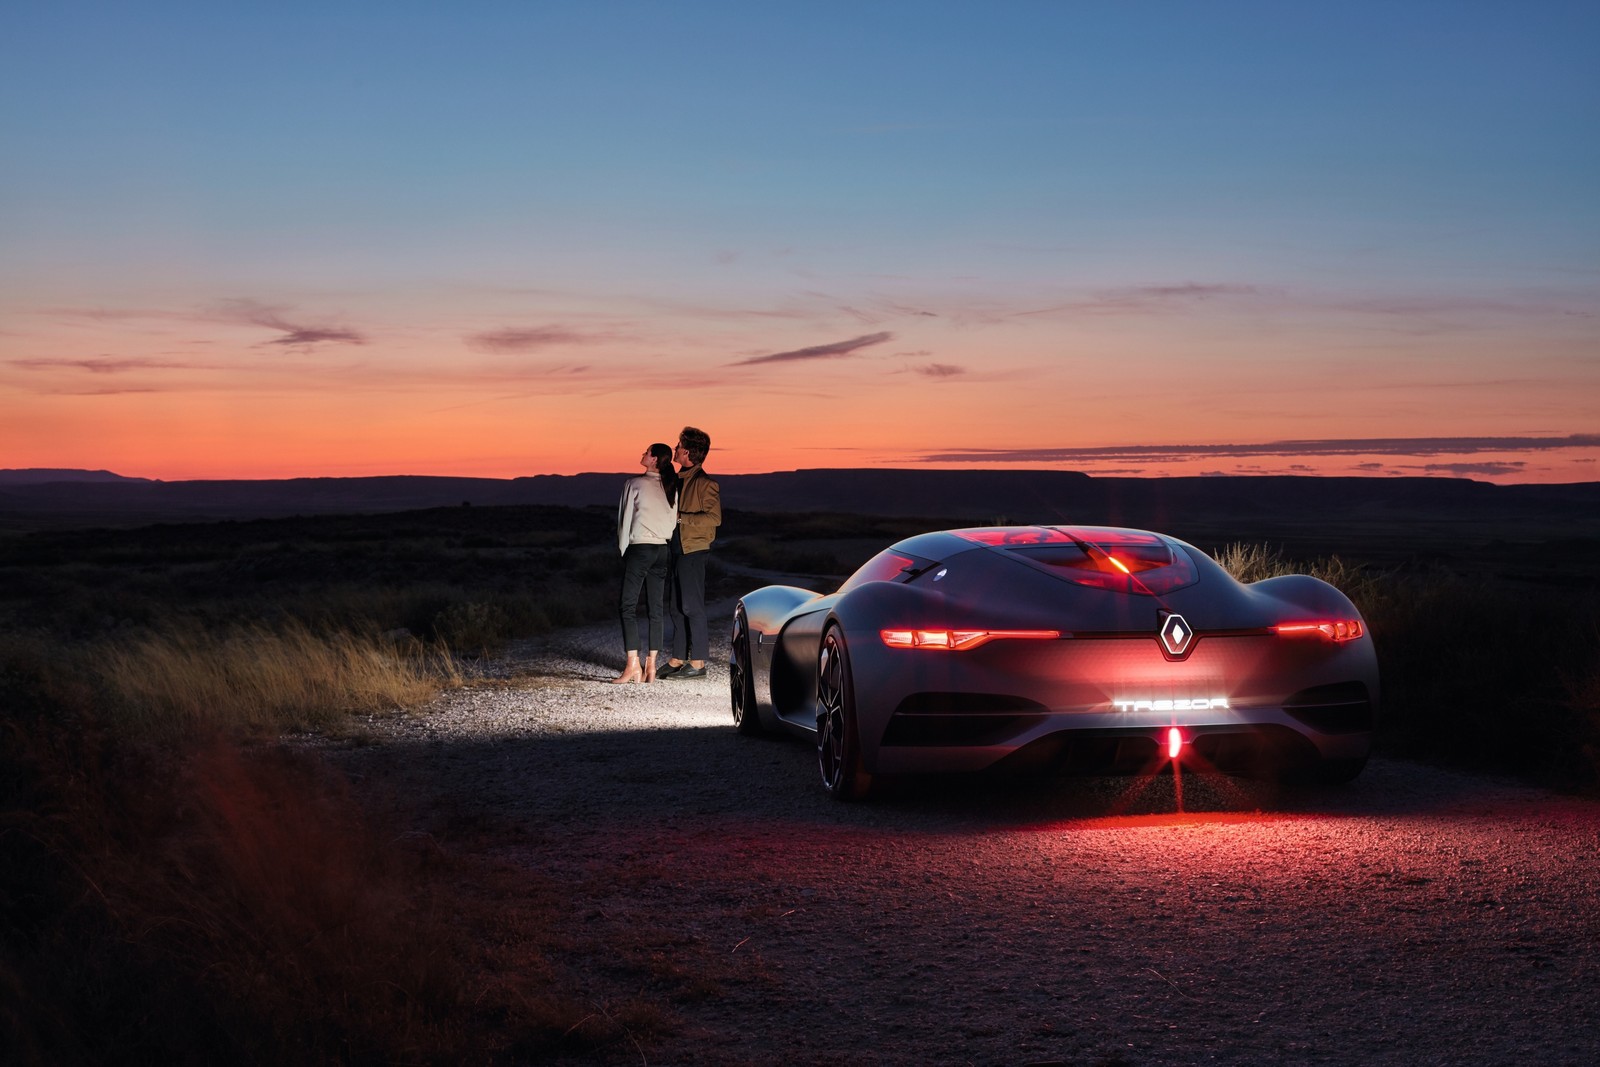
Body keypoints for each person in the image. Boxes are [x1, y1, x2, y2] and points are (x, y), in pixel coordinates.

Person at [612, 443, 679, 683]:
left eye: (646, 452)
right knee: (656, 609)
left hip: (640, 548)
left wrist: (623, 551)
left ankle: (633, 666)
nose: (641, 454)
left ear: (654, 460)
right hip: (662, 550)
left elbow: (624, 520)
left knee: (627, 606)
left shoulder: (633, 484)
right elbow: (673, 524)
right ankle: (651, 665)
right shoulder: (671, 487)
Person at [659, 426, 721, 679]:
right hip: (676, 549)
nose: (674, 449)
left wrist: (681, 518)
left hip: (694, 550)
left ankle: (698, 663)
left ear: (686, 452)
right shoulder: (678, 478)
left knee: (691, 606)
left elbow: (714, 518)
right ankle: (677, 659)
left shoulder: (706, 483)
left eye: (677, 446)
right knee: (676, 607)